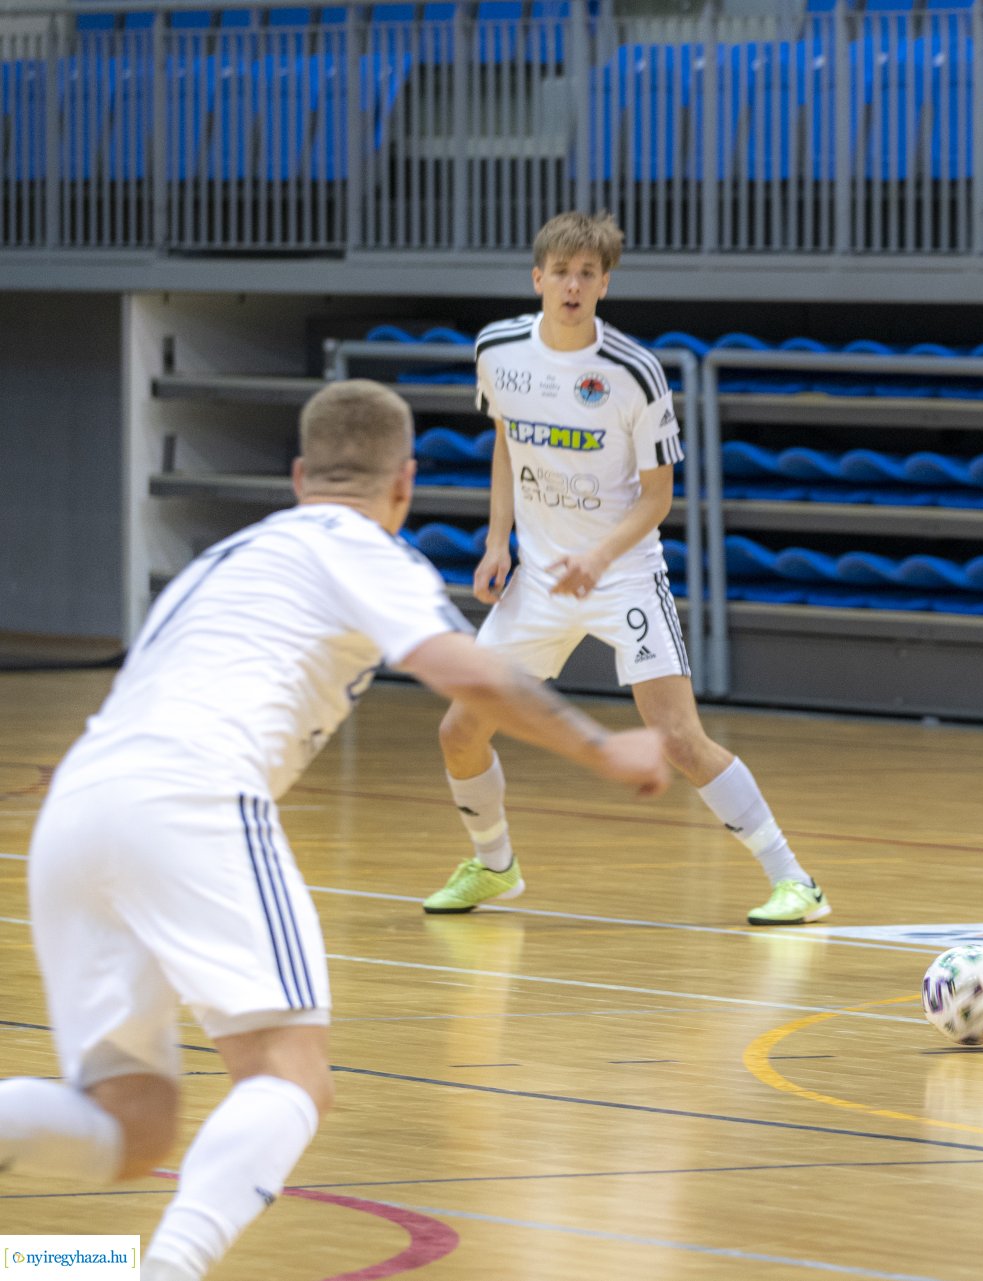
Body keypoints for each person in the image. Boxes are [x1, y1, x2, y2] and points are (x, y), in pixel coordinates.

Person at [0, 382, 671, 1281]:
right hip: (196, 794)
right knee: (290, 1074)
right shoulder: (366, 547)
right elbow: (460, 669)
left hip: (78, 806)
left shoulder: (224, 555)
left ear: (297, 476)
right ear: (405, 483)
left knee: (130, 1127)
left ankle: (43, 1269)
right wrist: (600, 747)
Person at [424, 211, 828, 926]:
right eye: (561, 271)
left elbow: (658, 495)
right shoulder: (498, 350)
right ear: (537, 277)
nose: (572, 285)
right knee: (459, 729)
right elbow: (506, 445)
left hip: (623, 575)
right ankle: (494, 865)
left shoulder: (634, 373)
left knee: (677, 738)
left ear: (605, 282)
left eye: (587, 273)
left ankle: (795, 879)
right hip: (541, 579)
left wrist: (600, 555)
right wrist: (497, 541)